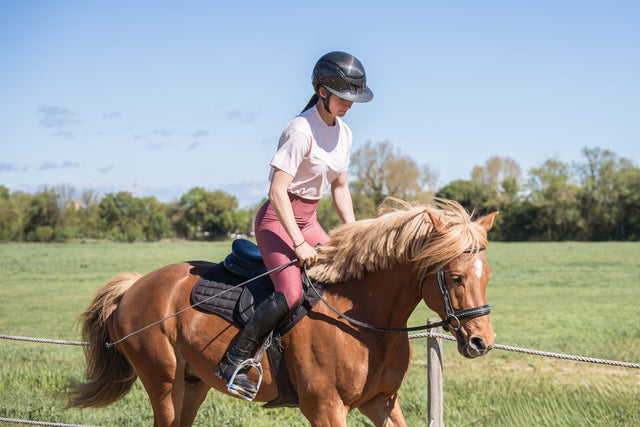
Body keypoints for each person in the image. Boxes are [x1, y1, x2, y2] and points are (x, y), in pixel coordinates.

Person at [216, 51, 373, 399]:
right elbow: (276, 190)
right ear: (322, 91)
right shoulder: (300, 130)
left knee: (346, 275)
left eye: (354, 99)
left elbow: (340, 186)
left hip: (311, 218)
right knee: (290, 292)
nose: (349, 104)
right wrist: (299, 243)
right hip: (278, 220)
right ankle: (235, 362)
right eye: (344, 97)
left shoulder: (344, 133)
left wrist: (354, 232)